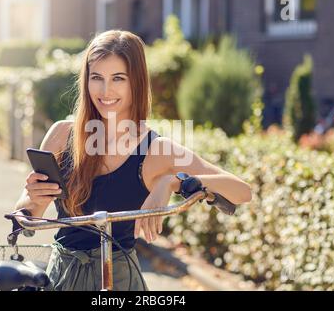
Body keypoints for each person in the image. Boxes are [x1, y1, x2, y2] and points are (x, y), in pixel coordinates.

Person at [14, 30, 252, 291]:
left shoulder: (156, 149)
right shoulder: (62, 135)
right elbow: (28, 215)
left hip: (118, 280)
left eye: (118, 78)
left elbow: (241, 192)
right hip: (62, 276)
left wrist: (172, 182)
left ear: (136, 82)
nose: (106, 91)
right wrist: (32, 200)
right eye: (97, 78)